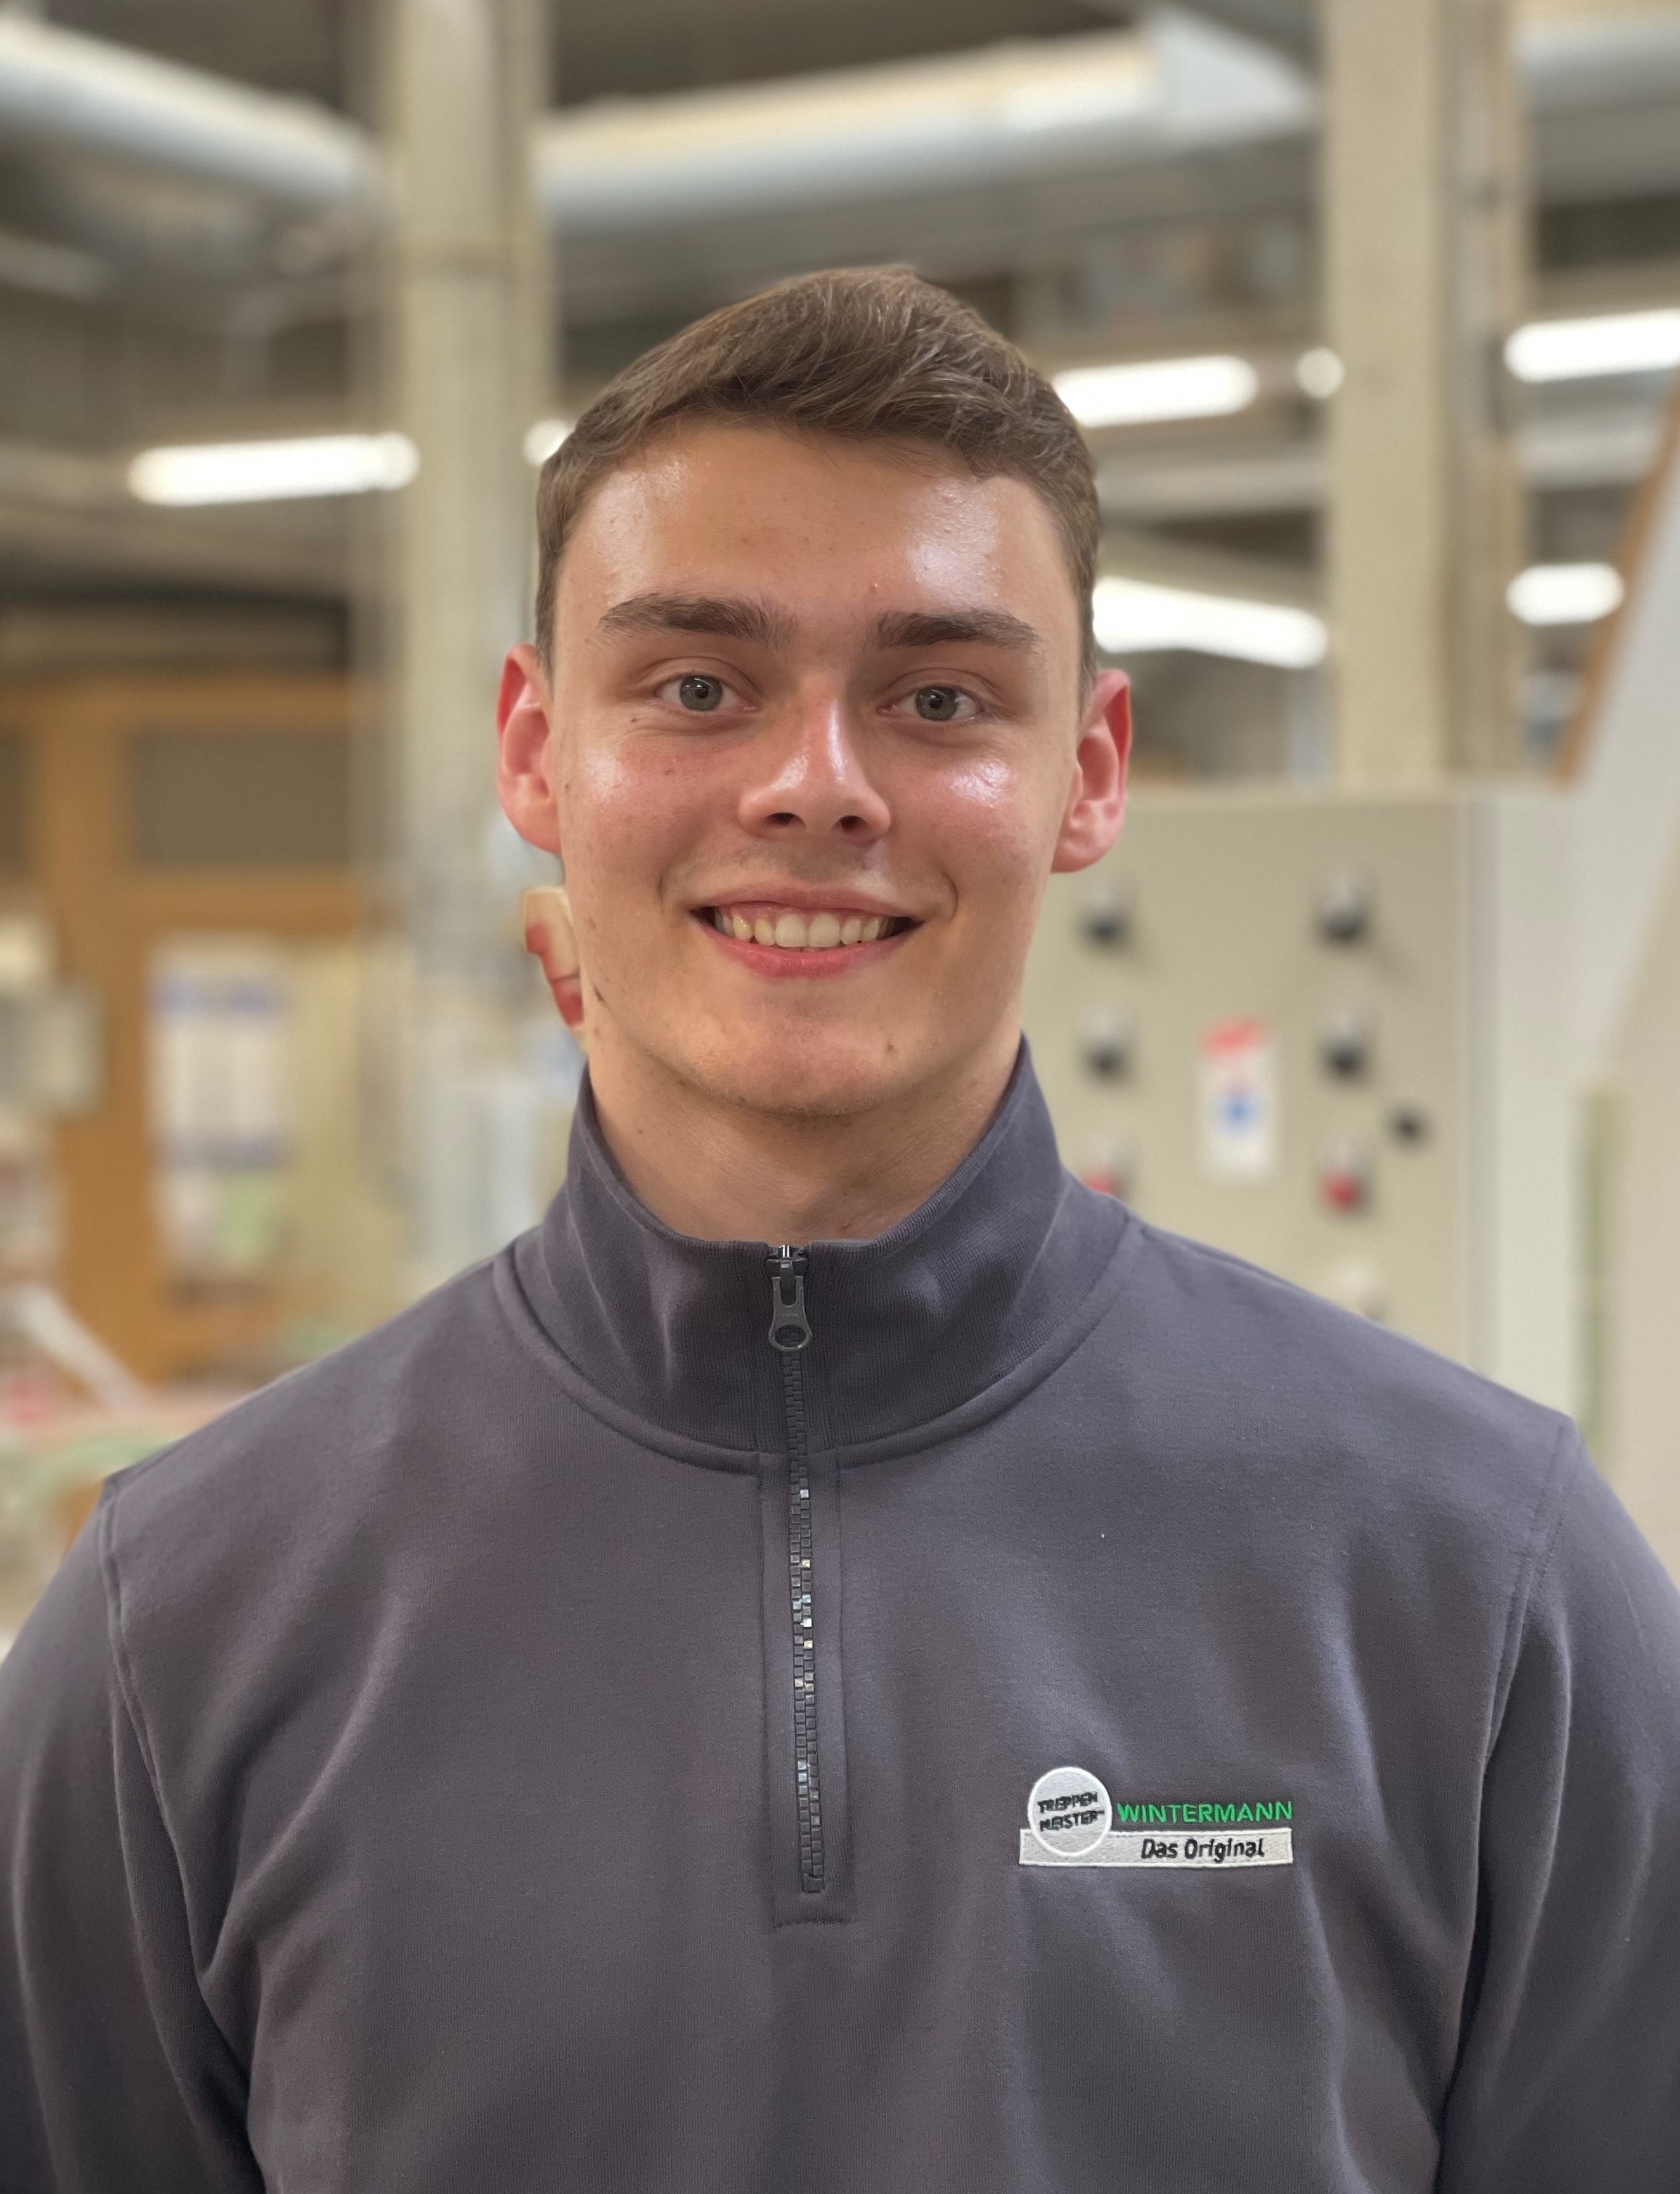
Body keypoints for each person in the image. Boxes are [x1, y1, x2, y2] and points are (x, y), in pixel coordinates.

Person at [1, 268, 1677, 2194]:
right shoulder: (177, 1628)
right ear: (535, 751)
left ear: (1090, 769)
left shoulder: (1480, 1580)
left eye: (938, 698)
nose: (816, 786)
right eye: (696, 687)